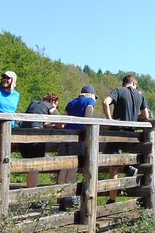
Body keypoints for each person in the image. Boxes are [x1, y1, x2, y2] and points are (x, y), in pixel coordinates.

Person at [102, 74, 150, 204]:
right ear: (134, 83)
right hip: (131, 135)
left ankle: (127, 167)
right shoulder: (140, 95)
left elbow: (105, 102)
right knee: (114, 165)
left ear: (125, 83)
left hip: (117, 132)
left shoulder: (119, 90)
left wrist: (110, 120)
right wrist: (133, 118)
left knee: (109, 162)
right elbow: (146, 115)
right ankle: (112, 199)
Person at [57, 85, 98, 211]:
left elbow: (62, 120)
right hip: (77, 136)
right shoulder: (90, 101)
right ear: (90, 95)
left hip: (65, 136)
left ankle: (60, 197)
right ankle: (68, 198)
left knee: (64, 168)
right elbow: (88, 118)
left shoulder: (71, 102)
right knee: (73, 168)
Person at [19, 93, 60, 193]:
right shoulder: (49, 105)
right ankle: (32, 197)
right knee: (35, 167)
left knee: (29, 167)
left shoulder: (33, 103)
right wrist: (50, 123)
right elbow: (59, 120)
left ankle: (28, 195)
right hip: (35, 134)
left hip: (21, 135)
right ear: (54, 102)